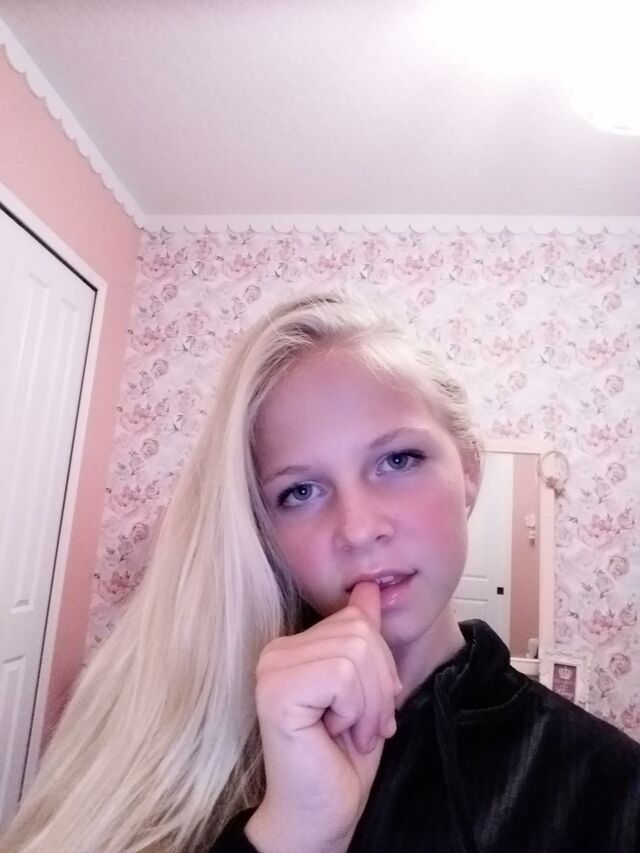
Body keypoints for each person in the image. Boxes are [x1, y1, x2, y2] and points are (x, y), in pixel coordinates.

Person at [2, 291, 639, 853]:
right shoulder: (176, 730)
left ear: (469, 469)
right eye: (300, 492)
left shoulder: (608, 787)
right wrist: (292, 837)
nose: (358, 529)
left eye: (398, 460)